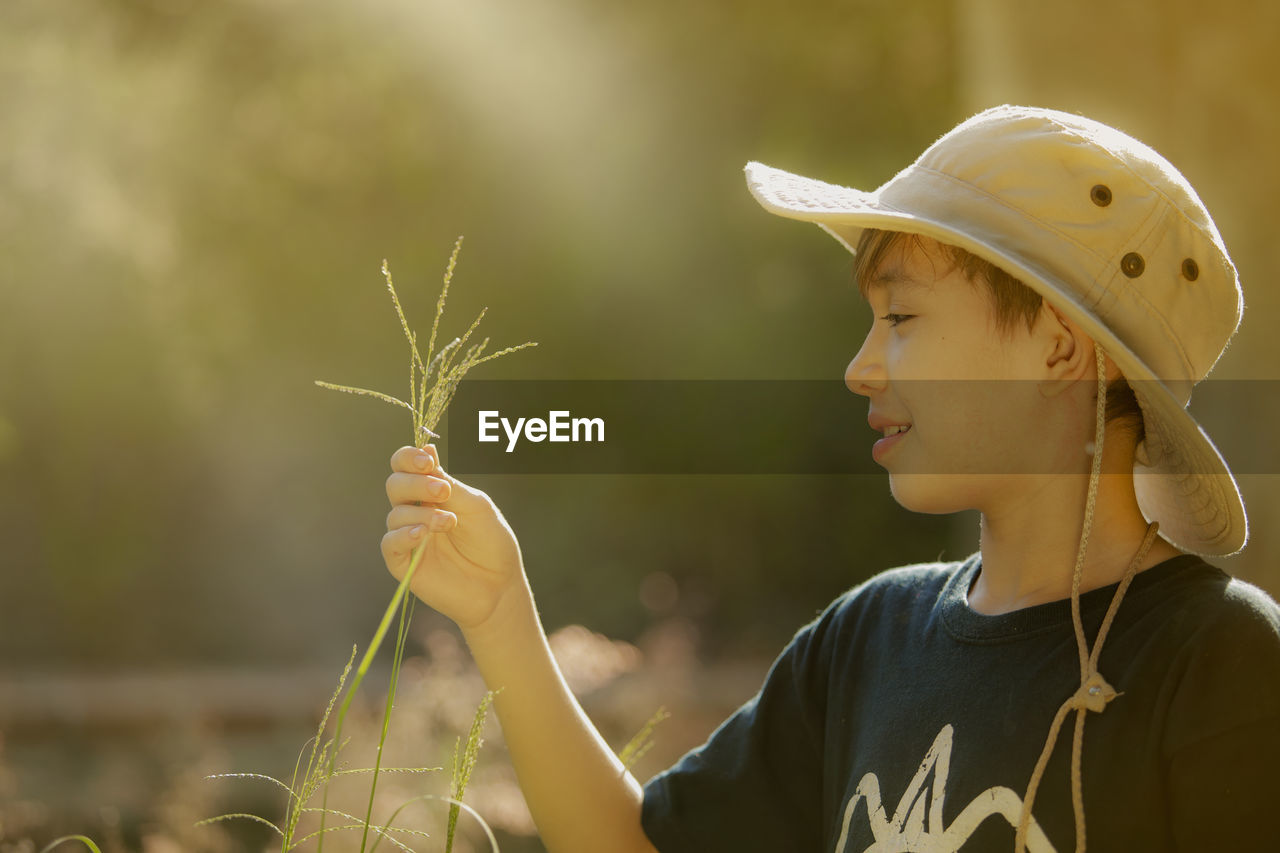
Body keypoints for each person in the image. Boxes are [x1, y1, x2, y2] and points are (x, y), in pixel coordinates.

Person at [379, 105, 1280, 852]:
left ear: (1056, 342)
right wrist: (500, 614)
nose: (860, 367)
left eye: (902, 316)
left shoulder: (1225, 662)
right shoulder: (868, 639)